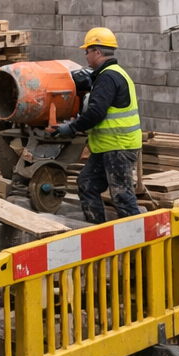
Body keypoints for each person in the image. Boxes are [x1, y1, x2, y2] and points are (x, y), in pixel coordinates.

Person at [49, 26, 143, 224]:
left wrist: (71, 127)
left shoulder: (108, 77)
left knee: (122, 196)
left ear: (97, 52)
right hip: (108, 147)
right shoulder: (113, 74)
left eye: (87, 51)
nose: (85, 55)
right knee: (87, 184)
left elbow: (96, 112)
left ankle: (139, 240)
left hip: (119, 146)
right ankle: (98, 232)